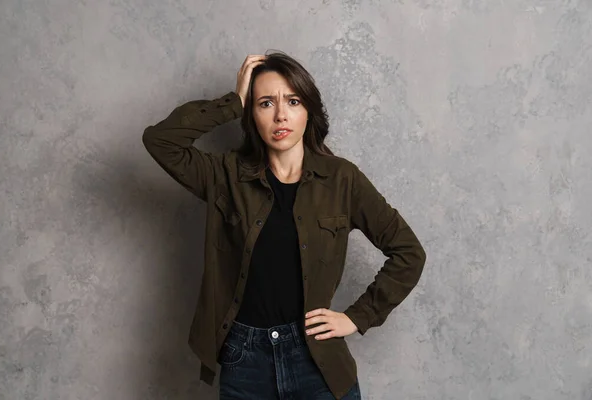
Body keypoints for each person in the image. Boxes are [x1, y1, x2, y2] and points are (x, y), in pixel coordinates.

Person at [142, 51, 426, 400]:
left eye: (292, 101)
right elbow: (160, 141)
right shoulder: (225, 175)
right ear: (252, 114)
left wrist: (357, 317)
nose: (280, 115)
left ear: (308, 109)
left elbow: (409, 252)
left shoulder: (342, 179)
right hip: (244, 363)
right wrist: (233, 101)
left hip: (317, 361)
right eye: (265, 103)